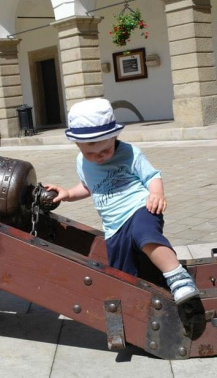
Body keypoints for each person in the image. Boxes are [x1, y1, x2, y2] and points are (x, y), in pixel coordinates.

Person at [45, 98, 199, 305]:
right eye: (90, 153)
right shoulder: (82, 162)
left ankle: (179, 278)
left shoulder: (129, 153)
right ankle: (137, 303)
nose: (98, 157)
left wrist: (157, 193)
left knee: (145, 235)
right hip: (113, 227)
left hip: (140, 208)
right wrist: (68, 194)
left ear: (115, 136)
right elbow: (89, 187)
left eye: (105, 151)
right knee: (123, 271)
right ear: (77, 145)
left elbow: (152, 176)